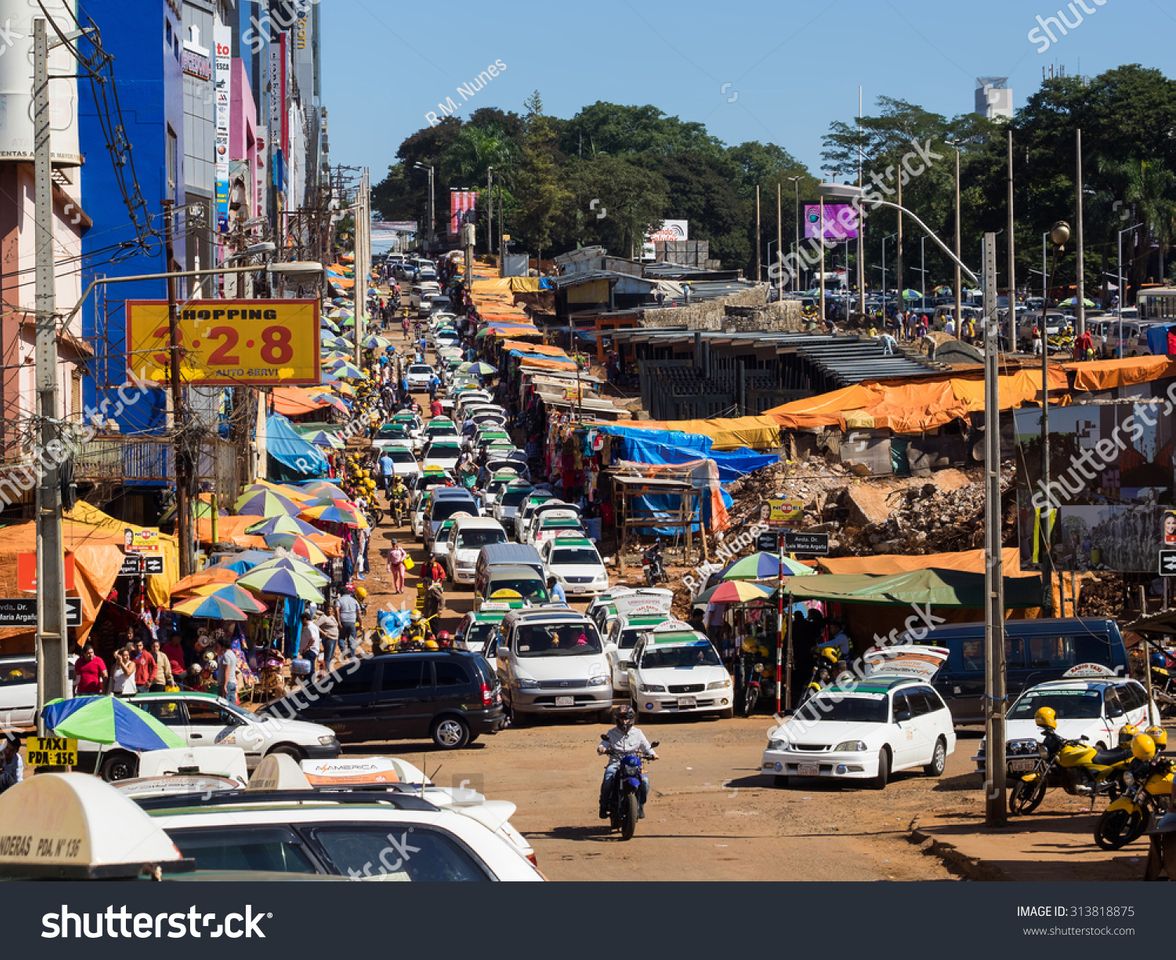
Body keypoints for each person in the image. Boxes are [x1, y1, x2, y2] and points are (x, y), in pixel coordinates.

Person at [597, 705, 657, 819]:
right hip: (616, 763)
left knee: (644, 781)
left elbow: (647, 747)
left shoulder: (638, 733)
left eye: (627, 719)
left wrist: (653, 754)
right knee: (608, 777)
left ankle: (640, 806)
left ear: (631, 719)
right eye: (622, 718)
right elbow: (603, 745)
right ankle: (603, 805)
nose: (624, 721)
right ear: (617, 719)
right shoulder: (611, 733)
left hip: (633, 764)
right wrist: (602, 749)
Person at [335, 586, 362, 657]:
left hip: (343, 621)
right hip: (352, 621)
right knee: (352, 640)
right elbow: (359, 613)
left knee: (341, 638)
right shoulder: (354, 600)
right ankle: (352, 655)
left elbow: (337, 610)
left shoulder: (339, 600)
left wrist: (339, 622)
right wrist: (360, 624)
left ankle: (344, 651)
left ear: (341, 593)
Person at [315, 603, 340, 673]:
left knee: (331, 656)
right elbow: (316, 625)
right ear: (326, 610)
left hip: (334, 638)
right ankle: (327, 671)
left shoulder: (332, 617)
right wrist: (323, 633)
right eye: (328, 609)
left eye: (331, 610)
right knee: (328, 656)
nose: (329, 611)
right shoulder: (323, 617)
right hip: (328, 639)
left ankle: (327, 669)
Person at [214, 634, 239, 704]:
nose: (217, 647)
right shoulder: (232, 654)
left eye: (218, 646)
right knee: (231, 707)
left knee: (224, 706)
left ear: (223, 646)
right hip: (232, 683)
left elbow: (227, 670)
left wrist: (224, 685)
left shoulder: (226, 655)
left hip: (227, 684)